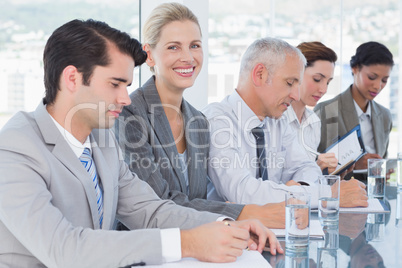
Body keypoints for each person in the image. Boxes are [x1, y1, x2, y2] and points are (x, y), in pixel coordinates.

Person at [0, 19, 282, 268]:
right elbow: (64, 250)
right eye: (115, 84)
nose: (125, 98)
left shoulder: (101, 138)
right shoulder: (15, 147)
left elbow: (150, 210)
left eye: (126, 85)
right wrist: (187, 243)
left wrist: (225, 227)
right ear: (72, 78)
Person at [115, 2, 286, 229]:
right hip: (145, 252)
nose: (188, 57)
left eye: (194, 46)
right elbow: (160, 204)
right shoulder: (129, 115)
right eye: (174, 47)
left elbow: (197, 200)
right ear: (150, 56)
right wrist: (247, 212)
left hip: (193, 247)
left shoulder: (198, 121)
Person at [203, 37, 368, 209]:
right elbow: (243, 192)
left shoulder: (277, 121)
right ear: (260, 75)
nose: (296, 95)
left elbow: (306, 167)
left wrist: (298, 191)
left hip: (278, 228)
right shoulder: (217, 120)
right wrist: (327, 195)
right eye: (290, 83)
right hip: (233, 231)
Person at [314, 41, 393, 177]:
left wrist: (383, 171)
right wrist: (354, 164)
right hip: (340, 192)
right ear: (355, 68)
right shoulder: (326, 111)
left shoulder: (384, 115)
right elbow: (312, 164)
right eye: (372, 77)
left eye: (384, 80)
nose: (378, 86)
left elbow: (382, 159)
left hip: (375, 192)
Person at [283, 42, 339, 174]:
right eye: (317, 79)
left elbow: (305, 180)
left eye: (328, 82)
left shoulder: (314, 122)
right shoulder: (276, 119)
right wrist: (316, 168)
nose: (324, 89)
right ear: (297, 72)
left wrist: (320, 168)